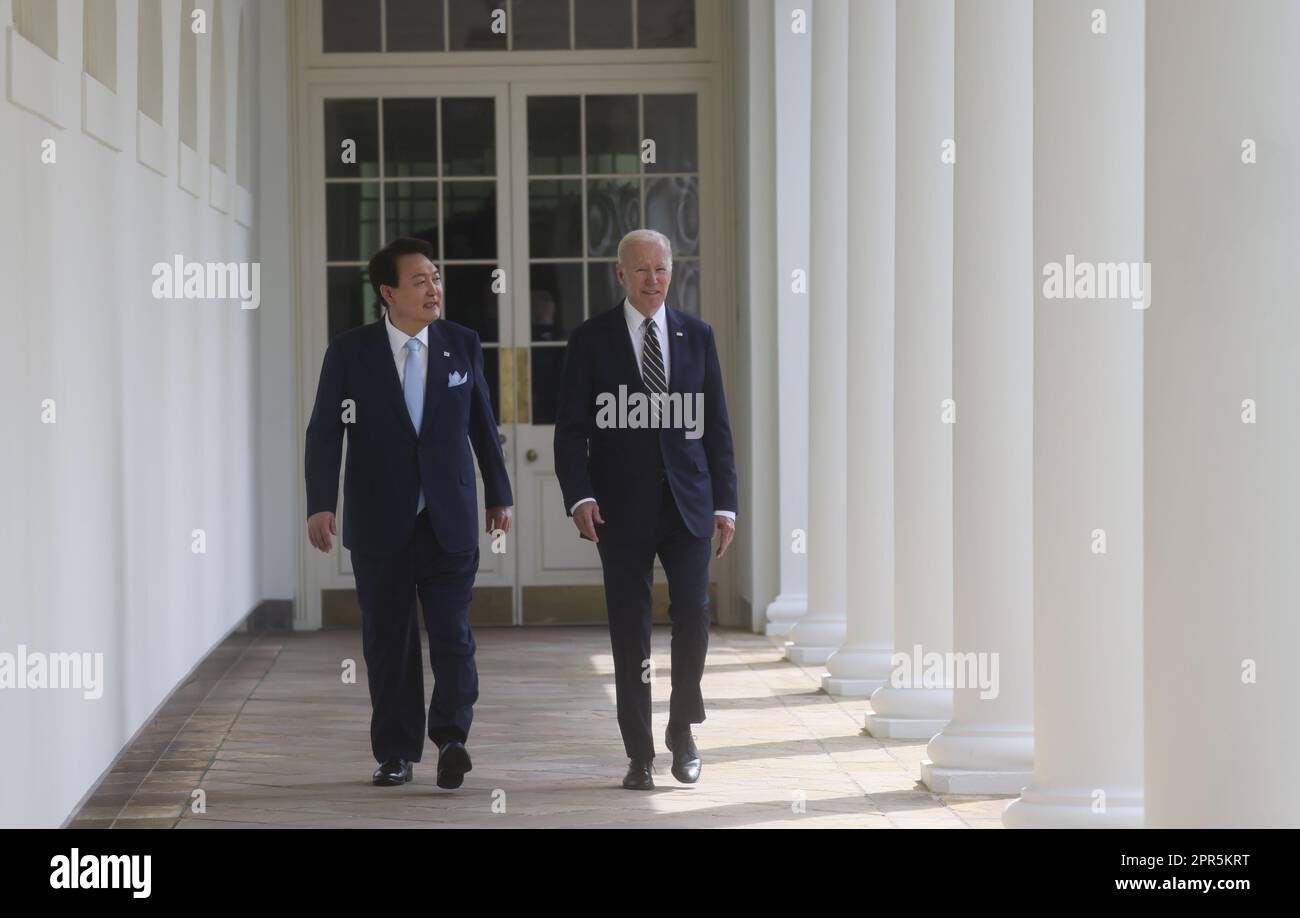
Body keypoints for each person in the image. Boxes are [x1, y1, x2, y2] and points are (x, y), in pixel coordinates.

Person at [304, 237, 513, 789]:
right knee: (388, 641)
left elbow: (482, 426)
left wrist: (500, 494)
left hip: (449, 519)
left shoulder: (462, 344)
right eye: (420, 281)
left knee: (452, 635)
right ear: (388, 293)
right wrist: (321, 503)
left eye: (436, 278)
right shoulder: (350, 352)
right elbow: (326, 430)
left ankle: (452, 740)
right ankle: (395, 752)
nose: (434, 289)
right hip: (379, 523)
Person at [553, 229, 738, 789]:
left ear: (671, 273)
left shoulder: (697, 336)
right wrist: (580, 496)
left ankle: (682, 728)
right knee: (629, 630)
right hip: (620, 511)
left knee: (692, 616)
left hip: (689, 505)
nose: (653, 280)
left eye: (661, 269)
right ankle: (638, 755)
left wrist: (726, 505)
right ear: (620, 275)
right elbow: (570, 432)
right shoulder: (591, 341)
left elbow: (718, 431)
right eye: (641, 270)